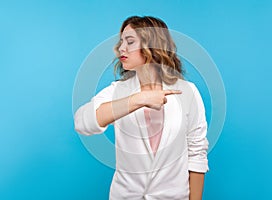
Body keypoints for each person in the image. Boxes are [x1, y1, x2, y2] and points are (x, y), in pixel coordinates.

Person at [74, 16, 209, 200]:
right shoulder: (119, 91)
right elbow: (82, 122)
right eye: (121, 41)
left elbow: (197, 153)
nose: (121, 48)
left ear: (152, 45)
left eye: (130, 41)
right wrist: (138, 99)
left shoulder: (187, 91)